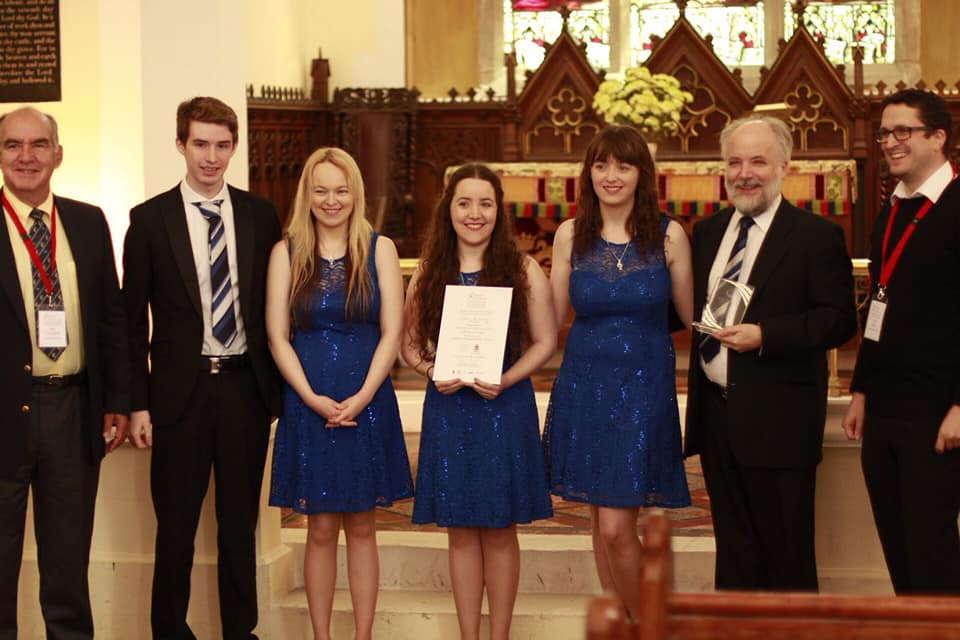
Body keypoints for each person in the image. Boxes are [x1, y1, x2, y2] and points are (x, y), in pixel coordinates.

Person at [122, 97, 281, 639]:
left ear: (233, 147)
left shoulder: (261, 215)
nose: (210, 158)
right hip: (176, 396)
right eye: (200, 145)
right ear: (180, 145)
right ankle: (169, 631)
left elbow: (274, 307)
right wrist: (136, 401)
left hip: (244, 391)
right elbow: (129, 321)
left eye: (221, 145)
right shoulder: (147, 220)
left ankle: (241, 631)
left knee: (240, 526)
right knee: (176, 530)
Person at [684, 114, 856, 591]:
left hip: (780, 422)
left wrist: (765, 335)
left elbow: (838, 319)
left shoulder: (814, 235)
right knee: (734, 556)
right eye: (735, 161)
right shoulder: (708, 232)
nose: (745, 173)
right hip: (718, 421)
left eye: (758, 161)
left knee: (787, 561)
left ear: (784, 165)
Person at [542, 124, 693, 619]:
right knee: (596, 516)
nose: (611, 176)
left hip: (643, 390)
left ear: (641, 174)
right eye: (601, 164)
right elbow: (549, 318)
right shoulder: (570, 234)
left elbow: (695, 320)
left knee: (615, 525)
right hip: (584, 385)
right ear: (588, 171)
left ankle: (649, 626)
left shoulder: (669, 235)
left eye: (623, 166)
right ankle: (619, 623)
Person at [402, 163, 555, 640]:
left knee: (500, 527)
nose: (475, 213)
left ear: (498, 210)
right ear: (448, 210)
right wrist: (431, 371)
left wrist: (507, 379)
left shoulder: (523, 268)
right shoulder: (429, 270)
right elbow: (407, 344)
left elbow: (545, 342)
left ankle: (499, 635)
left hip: (502, 407)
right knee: (460, 527)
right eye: (464, 203)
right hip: (449, 409)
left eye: (485, 203)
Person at [266, 147, 413, 639]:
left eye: (341, 190)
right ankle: (322, 636)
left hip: (366, 399)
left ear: (356, 194)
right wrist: (309, 397)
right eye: (321, 190)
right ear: (307, 194)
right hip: (310, 402)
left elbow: (392, 331)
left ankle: (363, 634)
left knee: (364, 525)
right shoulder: (286, 252)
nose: (332, 200)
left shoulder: (380, 249)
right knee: (321, 527)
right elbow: (276, 336)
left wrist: (365, 394)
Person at [0, 106, 129, 639]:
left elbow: (111, 318)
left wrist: (118, 399)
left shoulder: (86, 219)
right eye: (12, 145)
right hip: (5, 411)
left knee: (67, 564)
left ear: (58, 154)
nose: (25, 156)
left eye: (37, 145)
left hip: (73, 413)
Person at [842, 89, 960, 594]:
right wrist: (863, 389)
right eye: (885, 132)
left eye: (903, 131)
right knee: (899, 545)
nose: (890, 142)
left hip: (937, 411)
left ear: (939, 137)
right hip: (886, 406)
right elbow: (879, 309)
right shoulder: (893, 209)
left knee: (933, 551)